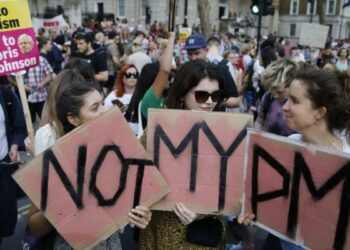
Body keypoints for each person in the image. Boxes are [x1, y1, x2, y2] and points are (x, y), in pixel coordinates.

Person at [139, 60, 253, 249]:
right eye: (201, 95)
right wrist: (139, 210)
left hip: (204, 239)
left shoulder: (229, 133)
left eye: (216, 95)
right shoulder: (160, 127)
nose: (209, 102)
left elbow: (235, 188)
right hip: (160, 232)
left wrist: (205, 211)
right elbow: (134, 176)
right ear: (183, 94)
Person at [28, 82, 152, 250]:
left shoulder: (118, 148)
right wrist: (63, 202)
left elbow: (130, 199)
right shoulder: (57, 160)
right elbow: (35, 227)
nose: (105, 110)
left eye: (102, 103)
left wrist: (140, 213)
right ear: (73, 118)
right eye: (95, 108)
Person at [261, 68, 350, 250]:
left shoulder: (345, 160)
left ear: (319, 112)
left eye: (294, 101)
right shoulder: (290, 143)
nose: (285, 106)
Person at [0, 80, 26, 247]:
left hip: (3, 168)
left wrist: (15, 145)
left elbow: (18, 127)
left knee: (3, 219)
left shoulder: (6, 94)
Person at [254, 59, 299, 136]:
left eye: (280, 92)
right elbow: (260, 121)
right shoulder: (268, 96)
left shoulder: (301, 104)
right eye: (272, 90)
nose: (275, 95)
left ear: (293, 84)